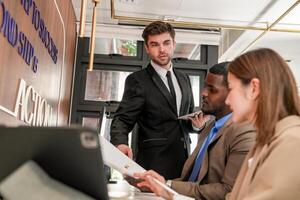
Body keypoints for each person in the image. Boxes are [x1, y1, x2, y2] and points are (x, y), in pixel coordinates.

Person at [134, 62, 256, 200]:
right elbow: (192, 182)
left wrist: (167, 185)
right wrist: (158, 184)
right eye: (205, 86)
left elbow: (228, 191)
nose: (203, 93)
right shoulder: (209, 128)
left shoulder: (244, 132)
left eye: (212, 89)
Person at [110, 21, 197, 179]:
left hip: (183, 162)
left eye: (166, 43)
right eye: (155, 44)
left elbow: (186, 120)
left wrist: (196, 126)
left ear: (174, 44)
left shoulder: (185, 79)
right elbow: (122, 119)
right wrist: (120, 142)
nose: (162, 49)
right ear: (147, 48)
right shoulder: (137, 80)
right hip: (153, 164)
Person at [225, 48, 300, 199]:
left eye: (231, 88)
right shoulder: (265, 141)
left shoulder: (291, 141)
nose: (227, 100)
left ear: (254, 88)